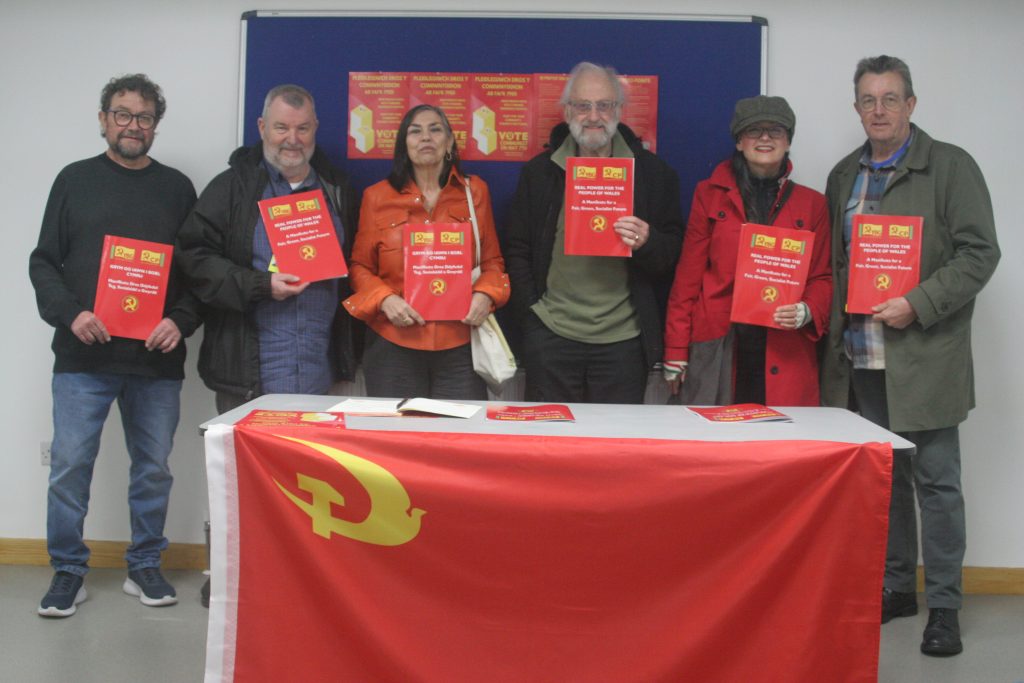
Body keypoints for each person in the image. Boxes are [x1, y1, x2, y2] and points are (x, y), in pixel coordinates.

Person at [821, 55, 1000, 657]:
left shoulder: (950, 167)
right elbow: (837, 266)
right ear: (856, 109)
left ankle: (944, 605)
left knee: (937, 485)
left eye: (891, 98)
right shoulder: (844, 174)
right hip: (861, 360)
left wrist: (918, 303)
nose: (879, 110)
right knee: (886, 482)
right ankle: (898, 587)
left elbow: (980, 254)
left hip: (924, 356)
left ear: (911, 105)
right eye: (868, 100)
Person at [29, 74, 200, 617]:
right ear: (103, 119)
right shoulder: (74, 180)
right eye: (123, 114)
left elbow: (196, 274)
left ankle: (144, 564)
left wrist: (180, 320)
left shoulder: (177, 188)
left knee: (153, 468)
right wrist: (72, 313)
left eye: (144, 117)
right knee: (70, 467)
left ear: (156, 125)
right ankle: (68, 571)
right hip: (83, 357)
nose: (133, 125)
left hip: (155, 360)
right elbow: (43, 263)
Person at [505, 62, 684, 404]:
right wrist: (532, 317)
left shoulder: (654, 174)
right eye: (583, 105)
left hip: (624, 342)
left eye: (604, 105)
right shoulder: (540, 173)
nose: (593, 116)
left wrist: (648, 243)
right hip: (552, 335)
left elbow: (673, 255)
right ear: (568, 110)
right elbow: (517, 249)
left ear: (618, 110)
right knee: (549, 446)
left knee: (613, 451)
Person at [177, 84, 359, 414]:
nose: (293, 138)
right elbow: (195, 260)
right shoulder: (232, 187)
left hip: (323, 376)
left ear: (315, 128)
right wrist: (260, 286)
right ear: (262, 128)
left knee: (315, 467)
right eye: (282, 127)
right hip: (250, 376)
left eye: (302, 128)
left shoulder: (337, 190)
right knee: (249, 468)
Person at [663, 96, 831, 405]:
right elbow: (687, 278)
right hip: (719, 344)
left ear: (788, 141)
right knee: (717, 446)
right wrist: (675, 349)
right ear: (740, 141)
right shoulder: (709, 195)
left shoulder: (813, 204)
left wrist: (807, 310)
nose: (765, 138)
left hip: (784, 347)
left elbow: (823, 277)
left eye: (775, 130)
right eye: (754, 130)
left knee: (779, 445)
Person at [344, 105, 509, 399]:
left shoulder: (476, 192)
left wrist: (485, 295)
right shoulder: (377, 197)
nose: (426, 138)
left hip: (459, 345)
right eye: (415, 131)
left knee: (458, 440)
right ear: (403, 144)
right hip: (393, 344)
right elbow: (359, 267)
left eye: (435, 129)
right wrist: (384, 299)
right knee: (396, 440)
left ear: (449, 142)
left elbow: (493, 262)